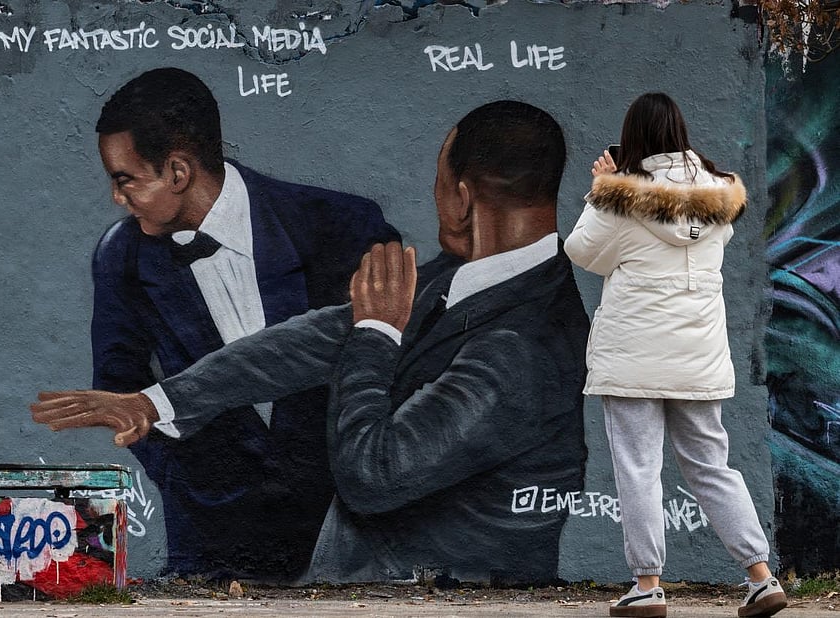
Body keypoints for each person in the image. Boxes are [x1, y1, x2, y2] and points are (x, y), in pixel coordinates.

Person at [32, 100, 590, 585]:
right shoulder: (463, 277)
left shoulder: (522, 348)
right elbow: (312, 341)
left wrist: (376, 333)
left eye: (439, 183)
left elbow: (373, 475)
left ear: (463, 199)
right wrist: (156, 402)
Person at [85, 67, 399, 581]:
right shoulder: (120, 256)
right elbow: (119, 383)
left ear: (178, 173)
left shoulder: (342, 225)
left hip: (346, 539)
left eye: (125, 180)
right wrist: (189, 480)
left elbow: (390, 356)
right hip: (213, 548)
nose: (116, 198)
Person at [563, 92, 787, 618]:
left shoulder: (621, 198)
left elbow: (582, 251)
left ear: (634, 138)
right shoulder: (718, 198)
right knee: (712, 466)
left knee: (639, 468)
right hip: (699, 358)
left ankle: (647, 586)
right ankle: (761, 577)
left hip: (634, 357)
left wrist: (602, 190)